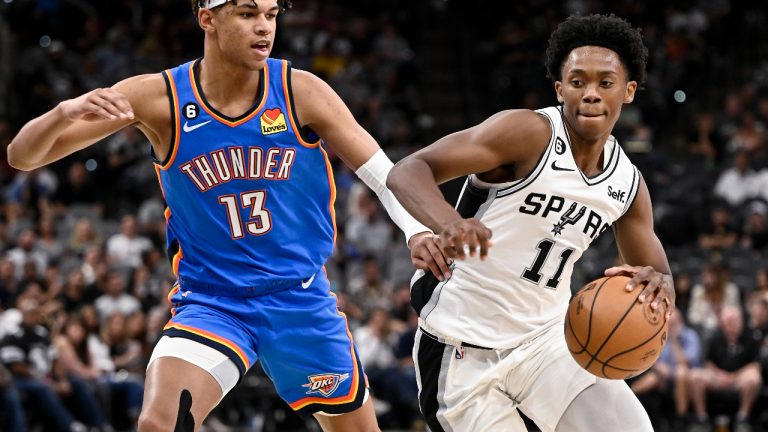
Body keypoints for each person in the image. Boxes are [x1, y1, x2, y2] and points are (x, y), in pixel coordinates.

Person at [7, 1, 450, 431]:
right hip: (213, 301)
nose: (264, 27)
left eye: (271, 14)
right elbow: (22, 156)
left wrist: (414, 229)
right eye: (247, 13)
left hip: (299, 298)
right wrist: (62, 112)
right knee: (160, 422)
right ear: (207, 18)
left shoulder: (300, 90)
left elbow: (382, 174)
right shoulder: (159, 98)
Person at [387, 13, 676, 432]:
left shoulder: (626, 184)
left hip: (548, 343)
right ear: (560, 89)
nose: (591, 94)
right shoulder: (528, 133)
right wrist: (449, 222)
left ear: (628, 91)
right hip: (461, 346)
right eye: (577, 82)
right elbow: (408, 171)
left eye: (605, 83)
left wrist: (662, 287)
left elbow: (658, 274)